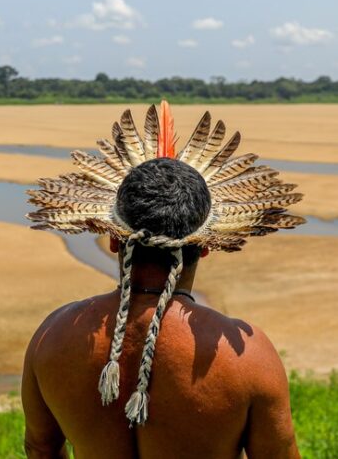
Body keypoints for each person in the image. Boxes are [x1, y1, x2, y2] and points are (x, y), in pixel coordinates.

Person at [23, 103, 303, 458]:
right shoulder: (248, 356)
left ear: (112, 239)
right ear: (205, 246)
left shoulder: (53, 335)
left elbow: (40, 447)